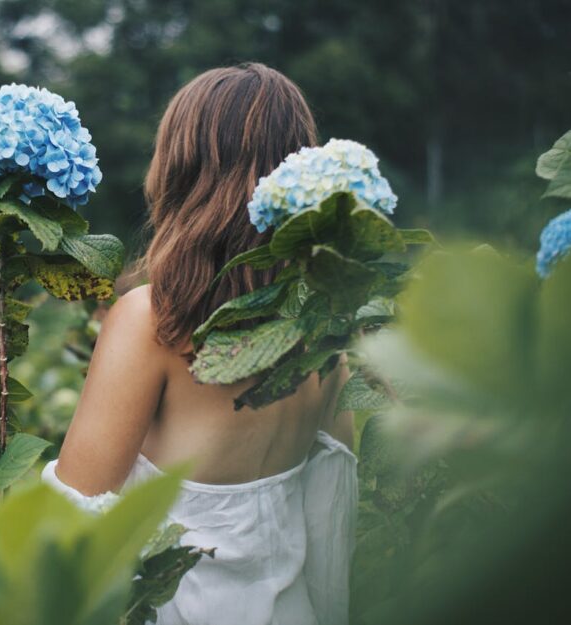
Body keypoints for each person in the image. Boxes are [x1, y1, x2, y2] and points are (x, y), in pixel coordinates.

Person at [41, 62, 358, 625]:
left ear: (180, 166)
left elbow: (77, 516)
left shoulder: (153, 320)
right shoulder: (327, 321)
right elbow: (330, 515)